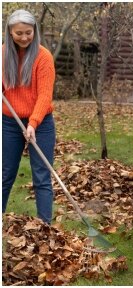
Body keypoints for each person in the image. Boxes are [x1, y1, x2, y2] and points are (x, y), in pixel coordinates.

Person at [2, 10, 56, 224]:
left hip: (41, 123)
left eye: (28, 32)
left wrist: (33, 123)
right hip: (9, 123)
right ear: (9, 33)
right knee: (5, 174)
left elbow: (45, 95)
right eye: (18, 33)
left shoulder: (43, 57)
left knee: (42, 177)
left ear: (35, 31)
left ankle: (45, 227)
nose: (24, 37)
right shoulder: (3, 55)